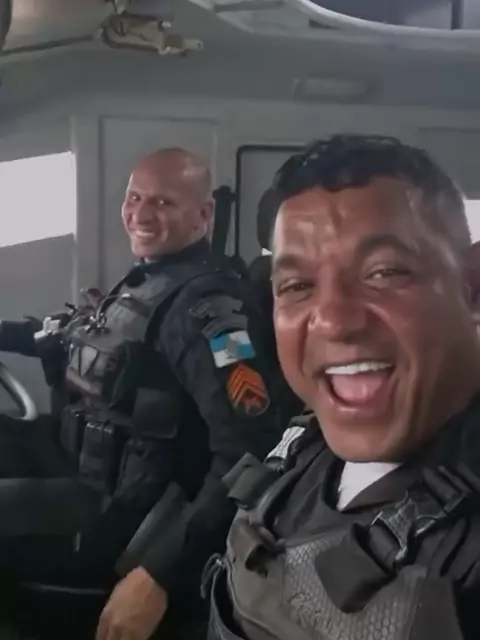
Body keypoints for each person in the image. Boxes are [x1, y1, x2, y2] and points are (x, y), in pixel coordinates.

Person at [0, 148, 287, 640]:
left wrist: (159, 570)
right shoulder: (150, 279)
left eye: (163, 202)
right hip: (86, 464)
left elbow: (250, 450)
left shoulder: (208, 308)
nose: (141, 213)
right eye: (134, 197)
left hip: (126, 515)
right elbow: (67, 335)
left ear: (203, 214)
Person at [206, 135, 480, 640]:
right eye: (297, 286)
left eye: (385, 272)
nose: (333, 320)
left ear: (473, 287)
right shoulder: (303, 449)